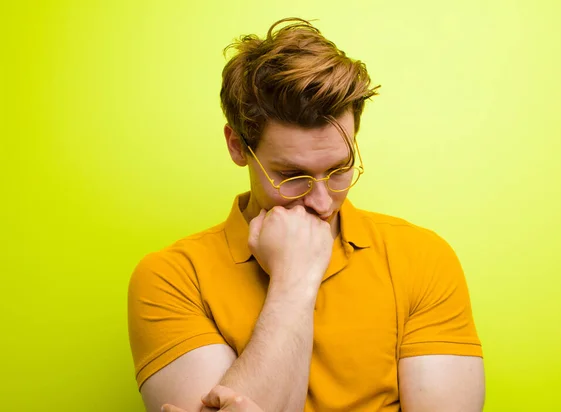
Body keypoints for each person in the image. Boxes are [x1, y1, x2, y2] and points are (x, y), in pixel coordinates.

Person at [127, 17, 485, 412]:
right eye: (291, 175)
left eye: (339, 169)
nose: (321, 201)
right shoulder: (172, 279)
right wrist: (293, 284)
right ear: (237, 147)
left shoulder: (421, 258)